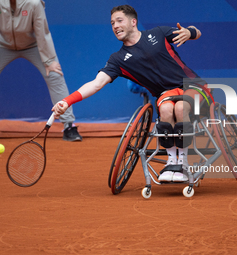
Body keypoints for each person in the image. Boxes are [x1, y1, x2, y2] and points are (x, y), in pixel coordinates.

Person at [52, 4, 209, 181]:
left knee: (180, 107)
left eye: (119, 20)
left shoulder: (158, 33)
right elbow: (96, 84)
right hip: (167, 95)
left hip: (193, 87)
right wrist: (67, 101)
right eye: (112, 23)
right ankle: (172, 161)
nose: (115, 26)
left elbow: (197, 32)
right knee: (165, 110)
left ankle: (184, 163)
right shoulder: (118, 59)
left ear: (133, 22)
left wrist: (189, 32)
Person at [0, 0, 82, 141]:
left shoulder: (34, 3)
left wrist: (48, 61)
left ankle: (69, 125)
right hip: (2, 44)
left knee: (55, 74)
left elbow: (42, 32)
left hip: (32, 45)